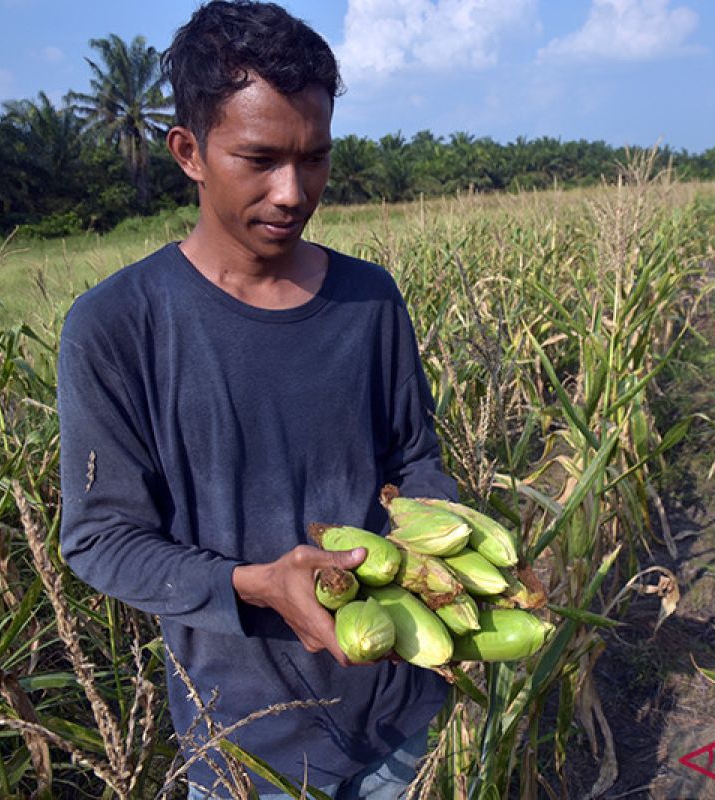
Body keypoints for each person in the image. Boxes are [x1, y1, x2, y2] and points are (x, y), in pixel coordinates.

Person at [56, 2, 455, 797]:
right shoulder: (117, 327)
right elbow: (100, 539)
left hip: (398, 709)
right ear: (189, 151)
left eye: (315, 158)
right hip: (245, 743)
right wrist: (256, 585)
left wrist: (448, 552)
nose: (292, 191)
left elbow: (415, 460)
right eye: (261, 158)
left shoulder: (369, 300)